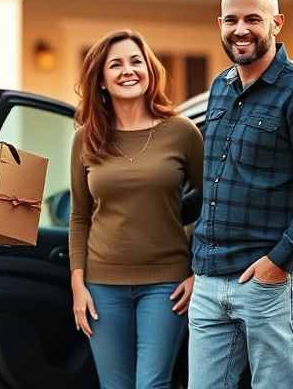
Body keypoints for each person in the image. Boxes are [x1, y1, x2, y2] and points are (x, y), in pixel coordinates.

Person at [187, 0, 293, 388]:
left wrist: (278, 263)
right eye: (232, 19)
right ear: (219, 24)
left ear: (276, 23)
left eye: (253, 19)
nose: (241, 29)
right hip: (209, 278)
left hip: (270, 282)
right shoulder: (221, 87)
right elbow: (218, 181)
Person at [69, 29, 204, 389]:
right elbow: (80, 215)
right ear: (100, 78)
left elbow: (213, 204)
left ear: (149, 69)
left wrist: (196, 273)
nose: (128, 70)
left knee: (152, 384)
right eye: (116, 64)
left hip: (166, 285)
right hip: (101, 287)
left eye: (135, 61)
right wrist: (77, 284)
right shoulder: (86, 138)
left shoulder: (182, 133)